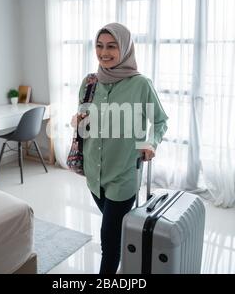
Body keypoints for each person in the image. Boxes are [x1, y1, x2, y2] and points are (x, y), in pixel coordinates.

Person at [72, 22, 168, 274]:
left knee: (109, 239)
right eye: (99, 46)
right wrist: (82, 120)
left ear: (124, 48)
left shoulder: (141, 84)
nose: (104, 53)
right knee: (118, 231)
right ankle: (129, 259)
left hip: (123, 175)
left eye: (112, 46)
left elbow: (160, 120)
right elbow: (84, 118)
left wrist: (151, 142)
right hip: (94, 174)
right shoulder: (89, 82)